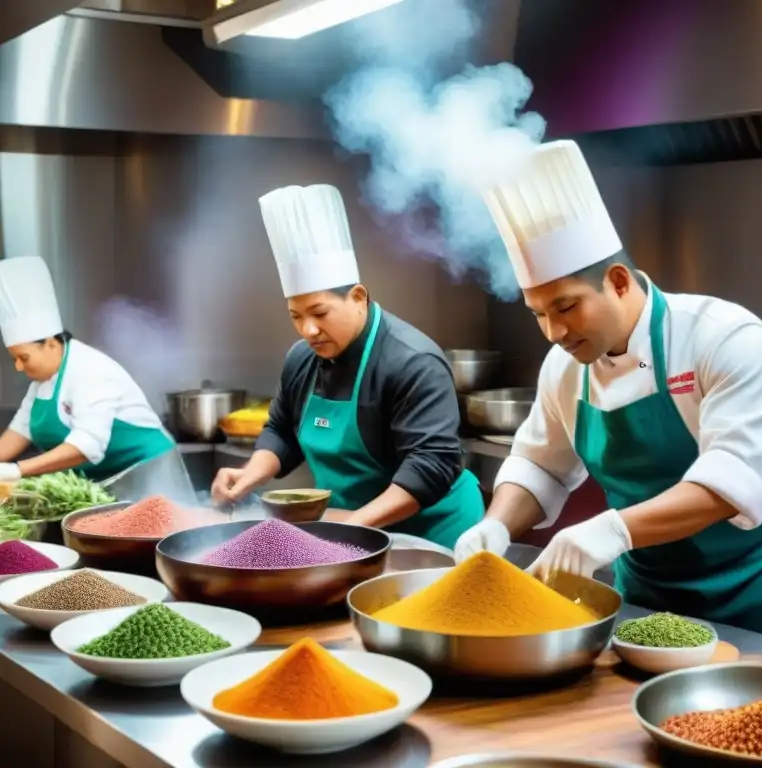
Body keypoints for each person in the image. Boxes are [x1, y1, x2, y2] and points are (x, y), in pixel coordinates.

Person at [454, 140, 762, 646]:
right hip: (642, 601)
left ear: (618, 282)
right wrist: (495, 526)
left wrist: (610, 531)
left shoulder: (724, 337)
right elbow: (540, 466)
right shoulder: (564, 367)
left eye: (566, 307)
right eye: (538, 313)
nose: (553, 331)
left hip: (750, 598)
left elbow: (730, 480)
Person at [210, 184, 484, 550]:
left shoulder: (412, 362)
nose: (308, 330)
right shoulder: (301, 358)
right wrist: (251, 475)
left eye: (320, 313)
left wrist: (351, 527)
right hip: (354, 530)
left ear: (357, 298)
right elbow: (282, 429)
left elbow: (430, 466)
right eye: (296, 316)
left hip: (432, 535)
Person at [0, 256, 180, 482]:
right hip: (109, 482)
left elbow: (87, 444)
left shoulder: (89, 371)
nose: (18, 366)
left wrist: (17, 470)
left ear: (51, 344)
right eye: (14, 358)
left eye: (23, 358)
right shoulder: (41, 383)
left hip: (151, 475)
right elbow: (19, 431)